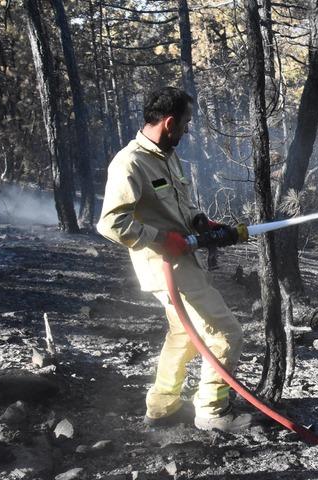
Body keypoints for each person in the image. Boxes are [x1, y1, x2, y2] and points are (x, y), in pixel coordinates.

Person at [97, 86, 250, 432]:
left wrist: (200, 221)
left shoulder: (167, 156)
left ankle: (163, 405)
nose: (187, 130)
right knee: (227, 334)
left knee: (182, 333)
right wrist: (163, 239)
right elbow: (110, 223)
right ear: (169, 123)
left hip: (182, 264)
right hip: (165, 267)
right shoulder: (130, 162)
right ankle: (212, 411)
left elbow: (180, 203)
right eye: (185, 123)